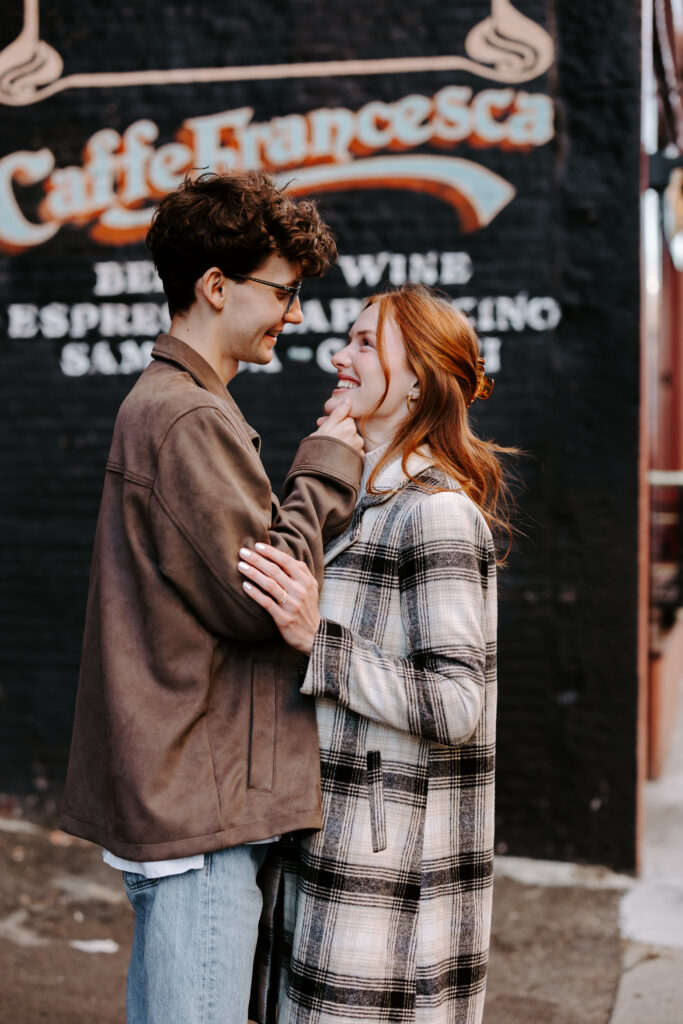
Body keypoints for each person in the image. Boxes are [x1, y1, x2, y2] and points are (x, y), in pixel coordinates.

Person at [59, 170, 364, 1024]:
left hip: (193, 793)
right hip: (205, 801)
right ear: (216, 285)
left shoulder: (177, 406)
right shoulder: (188, 416)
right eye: (283, 292)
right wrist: (325, 467)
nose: (295, 315)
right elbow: (261, 596)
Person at [238, 283, 513, 1024]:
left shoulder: (438, 513)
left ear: (417, 378)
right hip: (321, 846)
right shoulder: (362, 502)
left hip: (389, 885)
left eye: (364, 343)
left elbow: (457, 702)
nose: (339, 356)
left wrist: (314, 640)